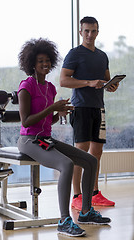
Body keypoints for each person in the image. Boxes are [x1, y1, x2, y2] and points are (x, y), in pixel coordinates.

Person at [17, 38, 111, 237]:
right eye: (41, 61)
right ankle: (64, 220)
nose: (45, 64)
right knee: (67, 164)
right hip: (29, 140)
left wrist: (58, 114)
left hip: (45, 138)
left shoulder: (50, 88)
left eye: (48, 61)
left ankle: (85, 212)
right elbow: (26, 122)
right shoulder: (26, 86)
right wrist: (52, 108)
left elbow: (46, 122)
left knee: (91, 160)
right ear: (32, 63)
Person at [60, 16, 118, 210]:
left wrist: (111, 86)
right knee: (80, 152)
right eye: (86, 31)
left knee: (97, 153)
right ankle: (77, 196)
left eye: (93, 31)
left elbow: (106, 80)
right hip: (81, 108)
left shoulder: (102, 56)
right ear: (80, 32)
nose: (90, 35)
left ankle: (94, 193)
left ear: (97, 32)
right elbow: (63, 80)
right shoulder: (74, 54)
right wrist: (88, 82)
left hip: (98, 108)